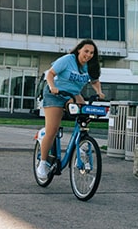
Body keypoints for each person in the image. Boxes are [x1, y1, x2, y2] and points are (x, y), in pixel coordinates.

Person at [36, 39, 104, 180]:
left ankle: (80, 143)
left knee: (85, 115)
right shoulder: (68, 60)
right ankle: (42, 163)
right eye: (86, 51)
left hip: (72, 95)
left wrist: (99, 92)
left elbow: (95, 81)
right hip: (55, 93)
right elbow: (50, 74)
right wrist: (52, 86)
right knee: (52, 130)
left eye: (92, 53)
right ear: (79, 50)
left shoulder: (90, 65)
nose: (89, 55)